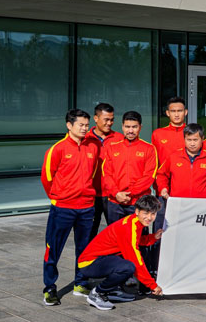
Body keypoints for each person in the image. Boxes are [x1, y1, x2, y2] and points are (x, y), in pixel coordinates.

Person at [40, 109, 99, 306]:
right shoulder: (57, 149)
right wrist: (59, 198)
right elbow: (47, 177)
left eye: (86, 125)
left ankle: (80, 283)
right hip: (63, 208)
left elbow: (93, 173)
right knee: (53, 248)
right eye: (80, 125)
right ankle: (49, 288)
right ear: (69, 125)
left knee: (84, 249)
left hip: (86, 208)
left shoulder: (93, 147)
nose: (84, 128)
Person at [77, 195, 164, 310]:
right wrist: (152, 285)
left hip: (101, 259)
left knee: (126, 263)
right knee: (128, 267)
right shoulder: (128, 228)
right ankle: (97, 293)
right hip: (89, 263)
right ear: (137, 211)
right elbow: (136, 260)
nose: (149, 217)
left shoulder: (135, 221)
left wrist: (153, 237)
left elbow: (137, 241)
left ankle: (112, 291)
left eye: (153, 214)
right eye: (146, 213)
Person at [101, 111, 158, 224]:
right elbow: (106, 174)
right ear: (122, 127)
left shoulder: (149, 149)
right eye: (127, 127)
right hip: (115, 201)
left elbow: (149, 176)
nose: (130, 131)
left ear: (140, 127)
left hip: (138, 202)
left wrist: (130, 193)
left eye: (134, 127)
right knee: (115, 238)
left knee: (138, 237)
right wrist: (116, 193)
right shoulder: (112, 148)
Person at [156, 124, 206, 199]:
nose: (192, 144)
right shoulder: (173, 157)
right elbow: (161, 175)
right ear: (184, 139)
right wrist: (163, 188)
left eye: (195, 140)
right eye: (189, 140)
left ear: (202, 139)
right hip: (178, 203)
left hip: (202, 204)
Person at [86, 103, 120, 242]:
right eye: (106, 119)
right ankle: (87, 263)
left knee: (116, 233)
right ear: (96, 118)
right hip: (92, 194)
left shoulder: (119, 138)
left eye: (112, 119)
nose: (109, 123)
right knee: (89, 233)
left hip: (112, 194)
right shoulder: (85, 139)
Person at [151, 97, 188, 168]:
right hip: (164, 176)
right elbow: (153, 159)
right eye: (173, 111)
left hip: (187, 175)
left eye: (180, 111)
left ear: (185, 112)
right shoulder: (158, 134)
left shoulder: (193, 133)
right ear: (168, 113)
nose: (176, 115)